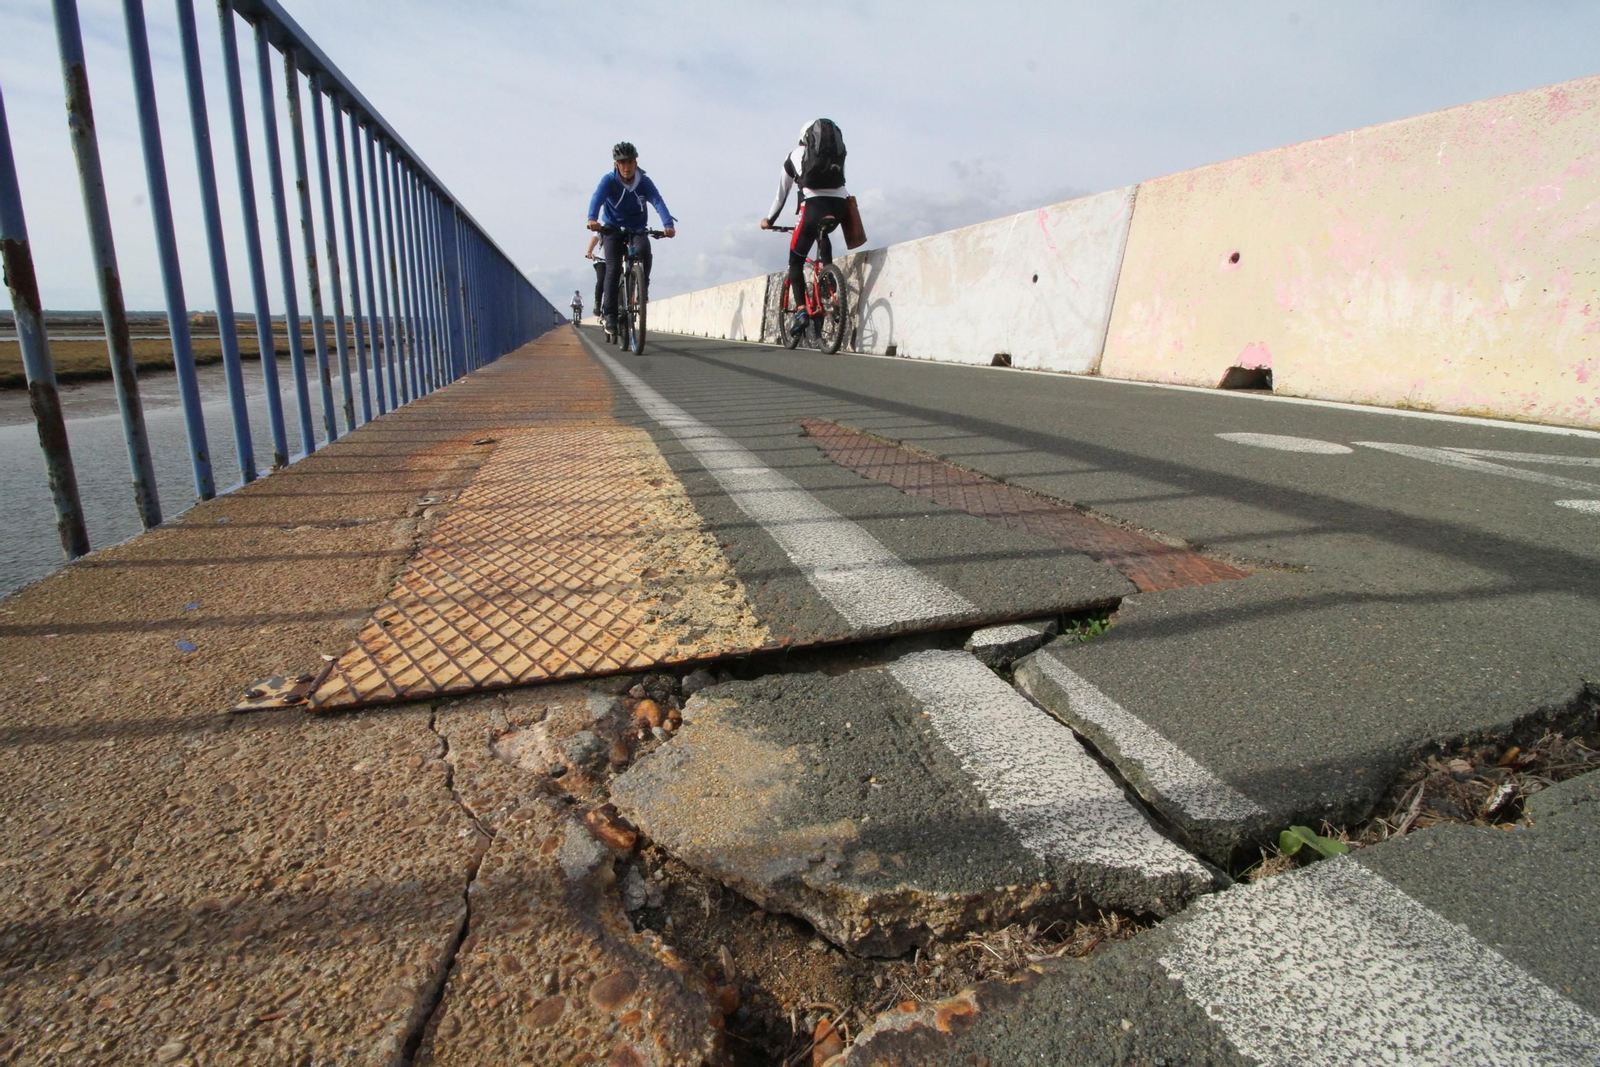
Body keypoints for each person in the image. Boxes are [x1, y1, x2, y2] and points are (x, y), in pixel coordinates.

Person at [759, 119, 848, 335]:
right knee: (822, 234)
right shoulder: (835, 155)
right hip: (839, 206)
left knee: (796, 261)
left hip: (812, 207)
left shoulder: (793, 156)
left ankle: (801, 311)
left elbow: (781, 196)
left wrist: (769, 220)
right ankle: (830, 285)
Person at [585, 142, 676, 334]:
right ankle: (610, 314)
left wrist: (668, 224)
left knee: (644, 250)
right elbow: (597, 198)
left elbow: (657, 201)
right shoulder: (609, 180)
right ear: (616, 164)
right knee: (613, 268)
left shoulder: (644, 182)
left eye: (630, 162)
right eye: (622, 162)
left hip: (637, 228)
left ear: (636, 163)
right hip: (612, 228)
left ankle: (643, 286)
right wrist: (592, 218)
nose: (626, 166)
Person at [584, 235, 605, 322]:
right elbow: (595, 238)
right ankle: (598, 303)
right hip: (603, 260)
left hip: (619, 261)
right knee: (601, 279)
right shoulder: (604, 230)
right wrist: (589, 252)